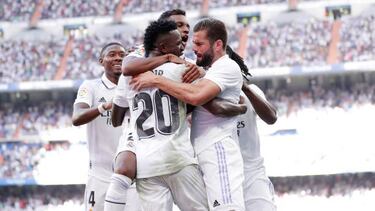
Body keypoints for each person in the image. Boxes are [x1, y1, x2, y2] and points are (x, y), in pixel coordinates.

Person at [131, 17, 246, 211]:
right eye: (193, 43)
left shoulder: (226, 66)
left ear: (218, 45)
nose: (193, 49)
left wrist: (156, 81)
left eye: (200, 44)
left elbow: (197, 97)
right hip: (197, 152)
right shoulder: (207, 70)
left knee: (227, 208)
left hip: (217, 149)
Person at [106, 20, 209, 211]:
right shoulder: (181, 69)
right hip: (178, 158)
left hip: (146, 165)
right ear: (163, 47)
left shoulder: (128, 77)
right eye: (178, 43)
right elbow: (200, 98)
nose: (182, 46)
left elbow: (116, 118)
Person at [72, 42, 139, 211]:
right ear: (101, 60)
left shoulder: (135, 86)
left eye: (122, 55)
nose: (118, 58)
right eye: (112, 54)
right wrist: (106, 106)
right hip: (101, 177)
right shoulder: (91, 86)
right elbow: (77, 117)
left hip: (132, 177)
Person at [226, 46, 278, 211]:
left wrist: (245, 88)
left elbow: (271, 117)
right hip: (222, 175)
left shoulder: (251, 91)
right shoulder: (204, 94)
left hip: (252, 172)